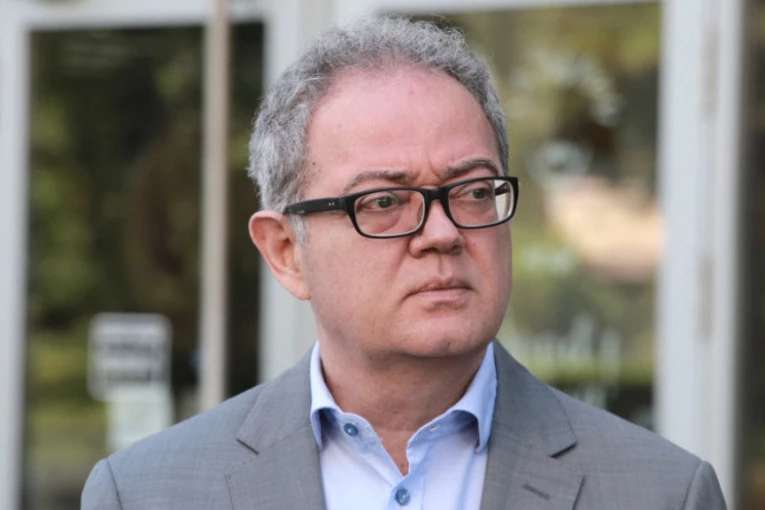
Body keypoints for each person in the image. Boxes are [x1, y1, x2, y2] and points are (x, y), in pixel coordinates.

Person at [82, 16, 727, 510]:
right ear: (286, 252)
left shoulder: (662, 492)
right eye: (385, 202)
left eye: (472, 191)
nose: (443, 233)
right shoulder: (144, 494)